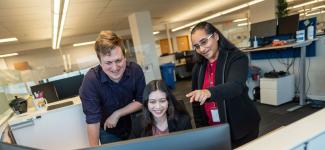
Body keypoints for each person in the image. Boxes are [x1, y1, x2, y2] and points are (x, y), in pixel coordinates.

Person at [185, 21, 261, 148]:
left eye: (204, 42)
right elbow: (197, 105)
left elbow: (235, 86)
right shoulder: (198, 68)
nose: (202, 49)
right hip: (214, 131)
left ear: (215, 36)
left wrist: (208, 92)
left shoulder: (236, 58)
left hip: (241, 129)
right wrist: (202, 131)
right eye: (197, 46)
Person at [79, 31, 145, 146]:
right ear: (100, 63)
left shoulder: (135, 70)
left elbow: (141, 100)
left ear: (125, 57)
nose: (115, 68)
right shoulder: (91, 81)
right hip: (108, 131)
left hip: (135, 124)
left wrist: (117, 113)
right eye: (108, 63)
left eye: (118, 60)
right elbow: (93, 121)